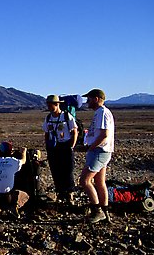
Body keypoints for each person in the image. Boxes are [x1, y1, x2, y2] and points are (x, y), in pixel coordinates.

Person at [79, 89, 115, 223]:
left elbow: (104, 135)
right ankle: (105, 212)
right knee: (100, 182)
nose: (87, 101)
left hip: (99, 151)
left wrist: (91, 147)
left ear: (96, 98)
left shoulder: (102, 113)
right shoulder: (101, 113)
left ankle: (97, 211)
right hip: (102, 151)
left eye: (88, 99)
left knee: (85, 181)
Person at [42, 94, 78, 203]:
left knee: (67, 170)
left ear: (57, 104)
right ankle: (60, 193)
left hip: (65, 145)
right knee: (55, 170)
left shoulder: (66, 116)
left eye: (50, 104)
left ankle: (69, 193)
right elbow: (46, 132)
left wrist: (71, 146)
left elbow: (74, 131)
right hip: (53, 147)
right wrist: (48, 146)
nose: (48, 107)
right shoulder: (48, 118)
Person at [0, 141, 28, 211]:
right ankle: (13, 207)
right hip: (7, 197)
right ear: (10, 152)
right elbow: (23, 160)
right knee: (25, 195)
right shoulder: (13, 162)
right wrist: (24, 152)